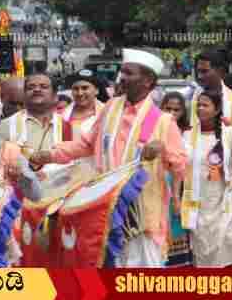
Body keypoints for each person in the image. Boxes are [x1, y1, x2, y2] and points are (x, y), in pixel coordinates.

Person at [31, 49, 187, 267]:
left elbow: (181, 166)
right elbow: (86, 144)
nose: (122, 77)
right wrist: (49, 155)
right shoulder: (111, 108)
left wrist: (162, 148)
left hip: (142, 220)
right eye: (122, 71)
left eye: (129, 73)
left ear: (147, 81)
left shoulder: (162, 121)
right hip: (106, 213)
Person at [180, 90, 232, 267]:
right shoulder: (187, 135)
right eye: (199, 105)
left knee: (228, 243)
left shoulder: (229, 133)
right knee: (203, 251)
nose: (200, 108)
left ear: (217, 109)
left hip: (225, 199)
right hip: (198, 202)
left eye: (205, 105)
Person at [0, 73, 72, 157]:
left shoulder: (67, 124)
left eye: (43, 86)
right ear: (24, 94)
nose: (37, 90)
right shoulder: (6, 125)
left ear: (55, 95)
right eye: (31, 87)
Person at [160, 91, 192, 268]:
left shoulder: (188, 133)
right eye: (168, 108)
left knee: (180, 227)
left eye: (176, 110)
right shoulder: (154, 129)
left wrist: (177, 197)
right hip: (160, 185)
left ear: (183, 112)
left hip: (183, 187)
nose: (171, 113)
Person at [193, 50, 232, 142]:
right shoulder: (190, 97)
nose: (199, 76)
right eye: (198, 71)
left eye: (204, 71)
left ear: (220, 71)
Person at [62, 69, 108, 140]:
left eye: (85, 88)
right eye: (76, 89)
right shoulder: (61, 115)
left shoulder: (108, 113)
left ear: (96, 90)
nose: (80, 93)